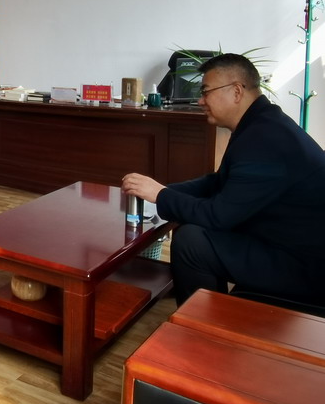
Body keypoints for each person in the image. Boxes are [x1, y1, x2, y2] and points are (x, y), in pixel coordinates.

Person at [122, 53, 325, 306]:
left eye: (206, 91)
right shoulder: (262, 124)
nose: (200, 100)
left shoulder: (264, 138)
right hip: (287, 244)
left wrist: (161, 195)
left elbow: (218, 216)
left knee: (191, 242)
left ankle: (202, 324)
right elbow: (218, 182)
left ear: (237, 91)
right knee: (191, 229)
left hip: (305, 267)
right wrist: (163, 191)